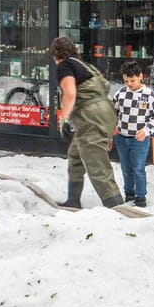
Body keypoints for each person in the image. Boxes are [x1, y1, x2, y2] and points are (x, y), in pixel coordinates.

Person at [51, 36, 125, 210]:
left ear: (55, 54)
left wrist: (65, 119)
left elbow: (70, 93)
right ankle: (73, 200)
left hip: (92, 116)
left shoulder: (65, 65)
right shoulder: (84, 65)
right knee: (76, 154)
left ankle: (116, 207)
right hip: (104, 112)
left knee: (95, 160)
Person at [109, 59, 154, 208]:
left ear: (141, 76)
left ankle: (140, 197)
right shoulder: (120, 93)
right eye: (125, 81)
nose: (129, 84)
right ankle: (129, 194)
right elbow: (112, 114)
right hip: (121, 137)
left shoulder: (150, 95)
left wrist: (145, 131)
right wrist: (109, 135)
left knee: (138, 169)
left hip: (139, 139)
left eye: (132, 80)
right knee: (126, 169)